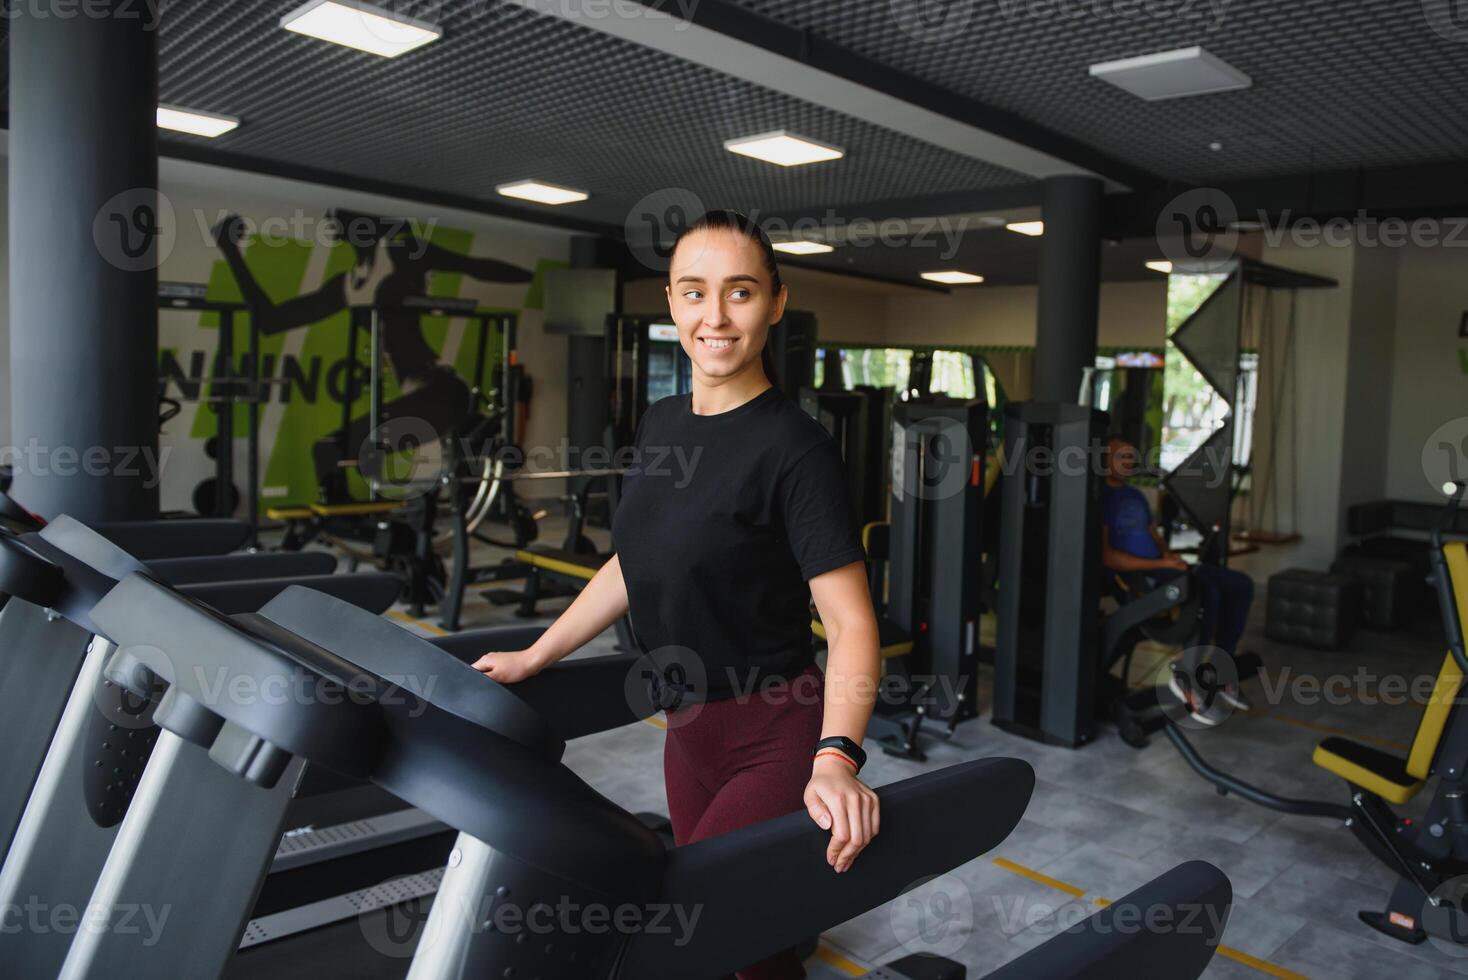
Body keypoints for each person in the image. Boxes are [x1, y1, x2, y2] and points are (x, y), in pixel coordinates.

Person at [472, 210, 882, 980]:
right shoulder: (661, 424)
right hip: (685, 731)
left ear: (776, 302)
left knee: (687, 930)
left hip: (771, 731)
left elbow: (851, 622)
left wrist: (836, 757)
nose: (716, 316)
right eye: (695, 293)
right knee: (745, 947)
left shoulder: (796, 449)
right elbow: (636, 561)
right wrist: (538, 653)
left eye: (741, 292)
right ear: (671, 302)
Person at [213, 209, 532, 501]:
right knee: (329, 450)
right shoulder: (348, 285)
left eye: (342, 219)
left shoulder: (405, 253)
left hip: (438, 390)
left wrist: (535, 278)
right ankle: (351, 519)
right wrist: (231, 253)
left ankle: (478, 442)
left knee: (334, 451)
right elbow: (270, 321)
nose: (333, 221)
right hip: (425, 393)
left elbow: (475, 267)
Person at [1101, 436, 1255, 715]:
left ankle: (1222, 667)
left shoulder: (1134, 494)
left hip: (1162, 566)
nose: (1129, 463)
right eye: (1120, 457)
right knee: (1208, 589)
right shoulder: (1100, 497)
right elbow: (1108, 557)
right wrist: (1159, 565)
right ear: (1104, 460)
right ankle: (1189, 672)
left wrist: (1168, 556)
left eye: (1130, 457)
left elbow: (1153, 533)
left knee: (1241, 584)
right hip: (1139, 579)